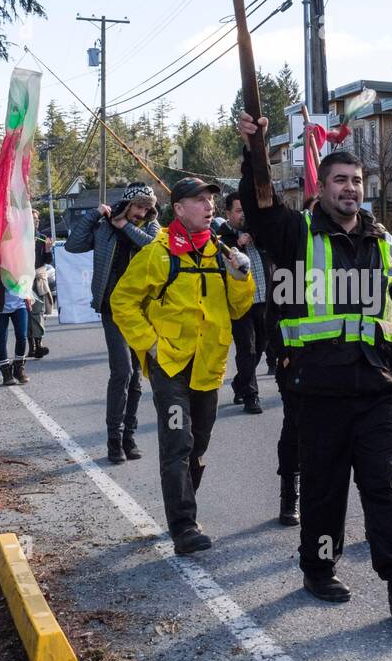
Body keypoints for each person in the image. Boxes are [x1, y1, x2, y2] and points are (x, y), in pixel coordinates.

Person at [238, 110, 392, 617]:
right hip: (317, 388)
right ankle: (320, 569)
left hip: (376, 386)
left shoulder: (384, 243)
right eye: (340, 181)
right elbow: (261, 209)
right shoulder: (294, 235)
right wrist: (254, 149)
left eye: (356, 181)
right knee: (325, 490)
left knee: (381, 486)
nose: (350, 189)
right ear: (322, 187)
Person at [110, 176, 255, 554]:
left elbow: (239, 309)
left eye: (211, 200)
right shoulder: (156, 254)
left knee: (198, 446)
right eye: (200, 200)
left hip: (208, 365)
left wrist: (242, 276)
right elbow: (121, 302)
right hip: (170, 365)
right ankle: (184, 526)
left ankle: (183, 508)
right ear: (178, 209)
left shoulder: (221, 254)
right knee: (177, 443)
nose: (209, 206)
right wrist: (150, 346)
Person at [65, 182, 160, 463]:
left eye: (147, 208)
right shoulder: (105, 226)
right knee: (122, 370)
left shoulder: (152, 228)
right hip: (111, 309)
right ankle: (114, 440)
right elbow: (72, 245)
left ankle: (129, 437)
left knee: (135, 376)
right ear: (127, 204)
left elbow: (150, 248)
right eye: (138, 206)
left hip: (141, 311)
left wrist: (124, 227)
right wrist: (95, 215)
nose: (142, 212)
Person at [219, 192, 267, 414]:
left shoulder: (260, 232)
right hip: (239, 303)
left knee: (261, 347)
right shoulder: (222, 238)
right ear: (228, 214)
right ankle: (250, 395)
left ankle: (240, 382)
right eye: (239, 211)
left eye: (246, 210)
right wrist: (237, 243)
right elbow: (221, 260)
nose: (243, 215)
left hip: (263, 300)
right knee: (246, 349)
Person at [0, 243, 32, 386]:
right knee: (2, 337)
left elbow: (27, 276)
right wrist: (5, 267)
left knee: (22, 336)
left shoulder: (20, 256)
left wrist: (27, 294)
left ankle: (19, 368)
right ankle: (6, 372)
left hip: (18, 302)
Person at [28, 209, 53, 358]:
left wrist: (48, 250)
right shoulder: (19, 238)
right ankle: (30, 346)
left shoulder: (42, 238)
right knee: (25, 313)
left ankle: (39, 344)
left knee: (38, 312)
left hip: (38, 278)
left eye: (37, 220)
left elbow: (48, 261)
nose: (35, 222)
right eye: (32, 219)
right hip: (23, 280)